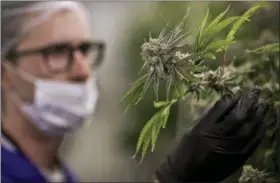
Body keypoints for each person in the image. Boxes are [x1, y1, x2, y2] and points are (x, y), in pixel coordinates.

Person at [1, 1, 273, 183]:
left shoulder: (59, 176)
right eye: (57, 52)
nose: (83, 70)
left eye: (84, 50)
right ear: (4, 73)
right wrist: (175, 177)